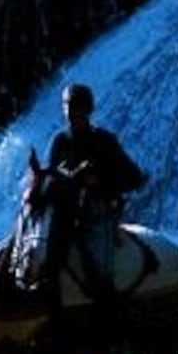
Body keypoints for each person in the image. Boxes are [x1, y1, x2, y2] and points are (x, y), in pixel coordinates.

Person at [45, 83, 147, 311]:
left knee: (98, 271)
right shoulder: (59, 141)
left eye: (78, 109)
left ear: (89, 110)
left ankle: (109, 317)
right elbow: (48, 179)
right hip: (64, 214)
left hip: (98, 211)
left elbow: (134, 179)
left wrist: (100, 183)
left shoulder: (104, 141)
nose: (73, 114)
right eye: (70, 108)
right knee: (41, 256)